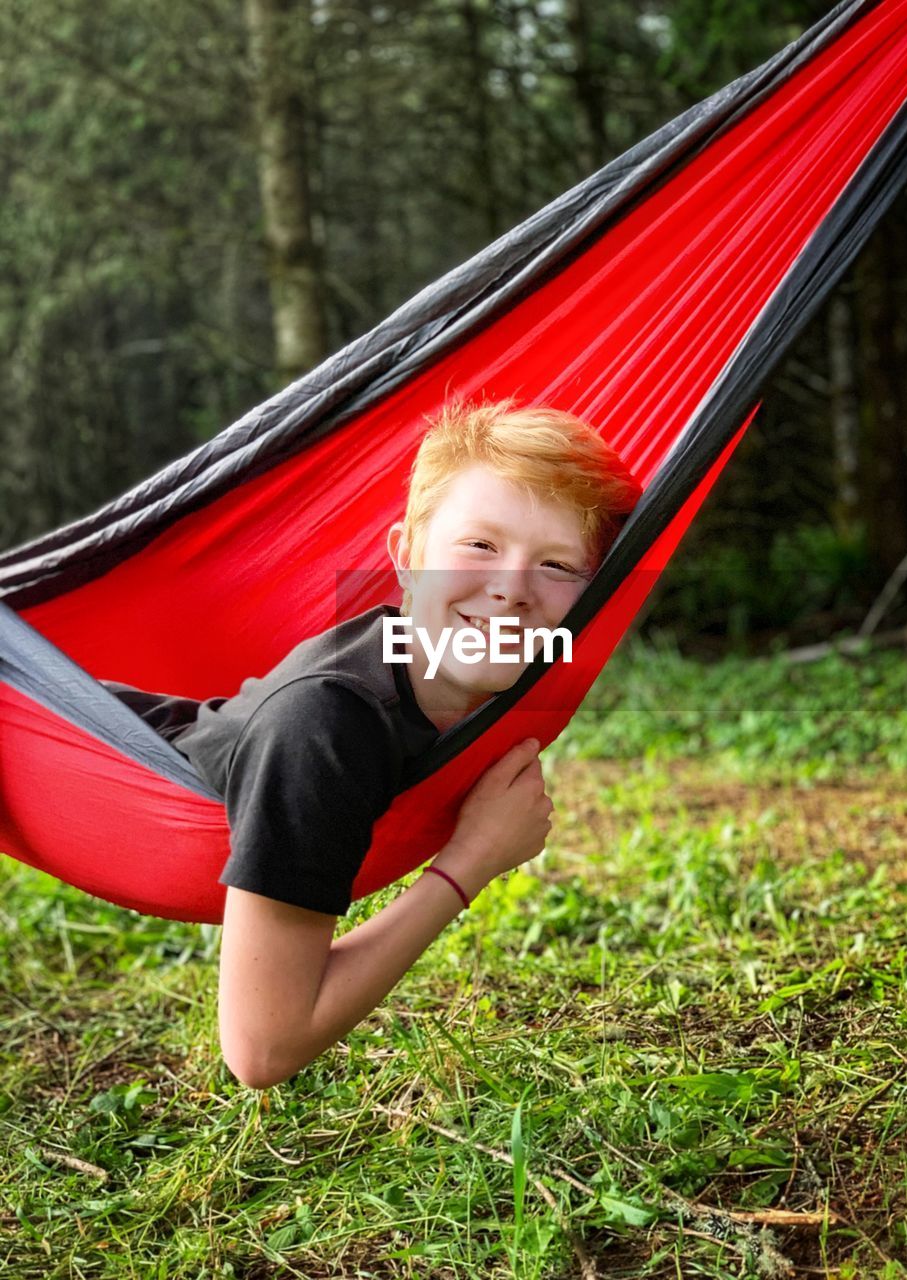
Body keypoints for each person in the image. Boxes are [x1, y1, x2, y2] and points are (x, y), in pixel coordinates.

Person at [108, 398, 640, 1088]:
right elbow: (262, 1049)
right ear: (406, 559)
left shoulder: (443, 676)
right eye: (478, 545)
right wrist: (469, 863)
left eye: (559, 567)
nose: (511, 589)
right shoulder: (327, 726)